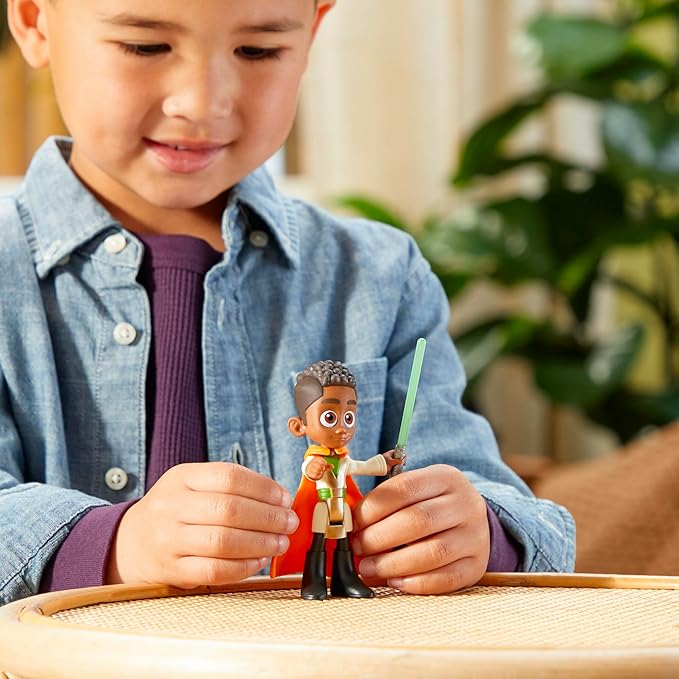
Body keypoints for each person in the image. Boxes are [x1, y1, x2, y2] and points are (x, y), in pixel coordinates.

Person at [0, 0, 575, 606]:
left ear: (311, 34)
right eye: (146, 46)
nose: (202, 102)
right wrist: (115, 544)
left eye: (258, 50)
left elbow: (512, 511)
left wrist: (476, 534)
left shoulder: (381, 275)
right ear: (35, 21)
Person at [270, 360, 404, 600]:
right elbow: (308, 469)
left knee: (344, 540)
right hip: (322, 505)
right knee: (318, 540)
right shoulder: (314, 458)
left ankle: (346, 579)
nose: (342, 428)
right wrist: (313, 469)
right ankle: (314, 581)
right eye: (330, 417)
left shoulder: (343, 459)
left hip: (341, 505)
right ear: (299, 426)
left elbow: (361, 467)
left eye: (349, 417)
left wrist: (385, 462)